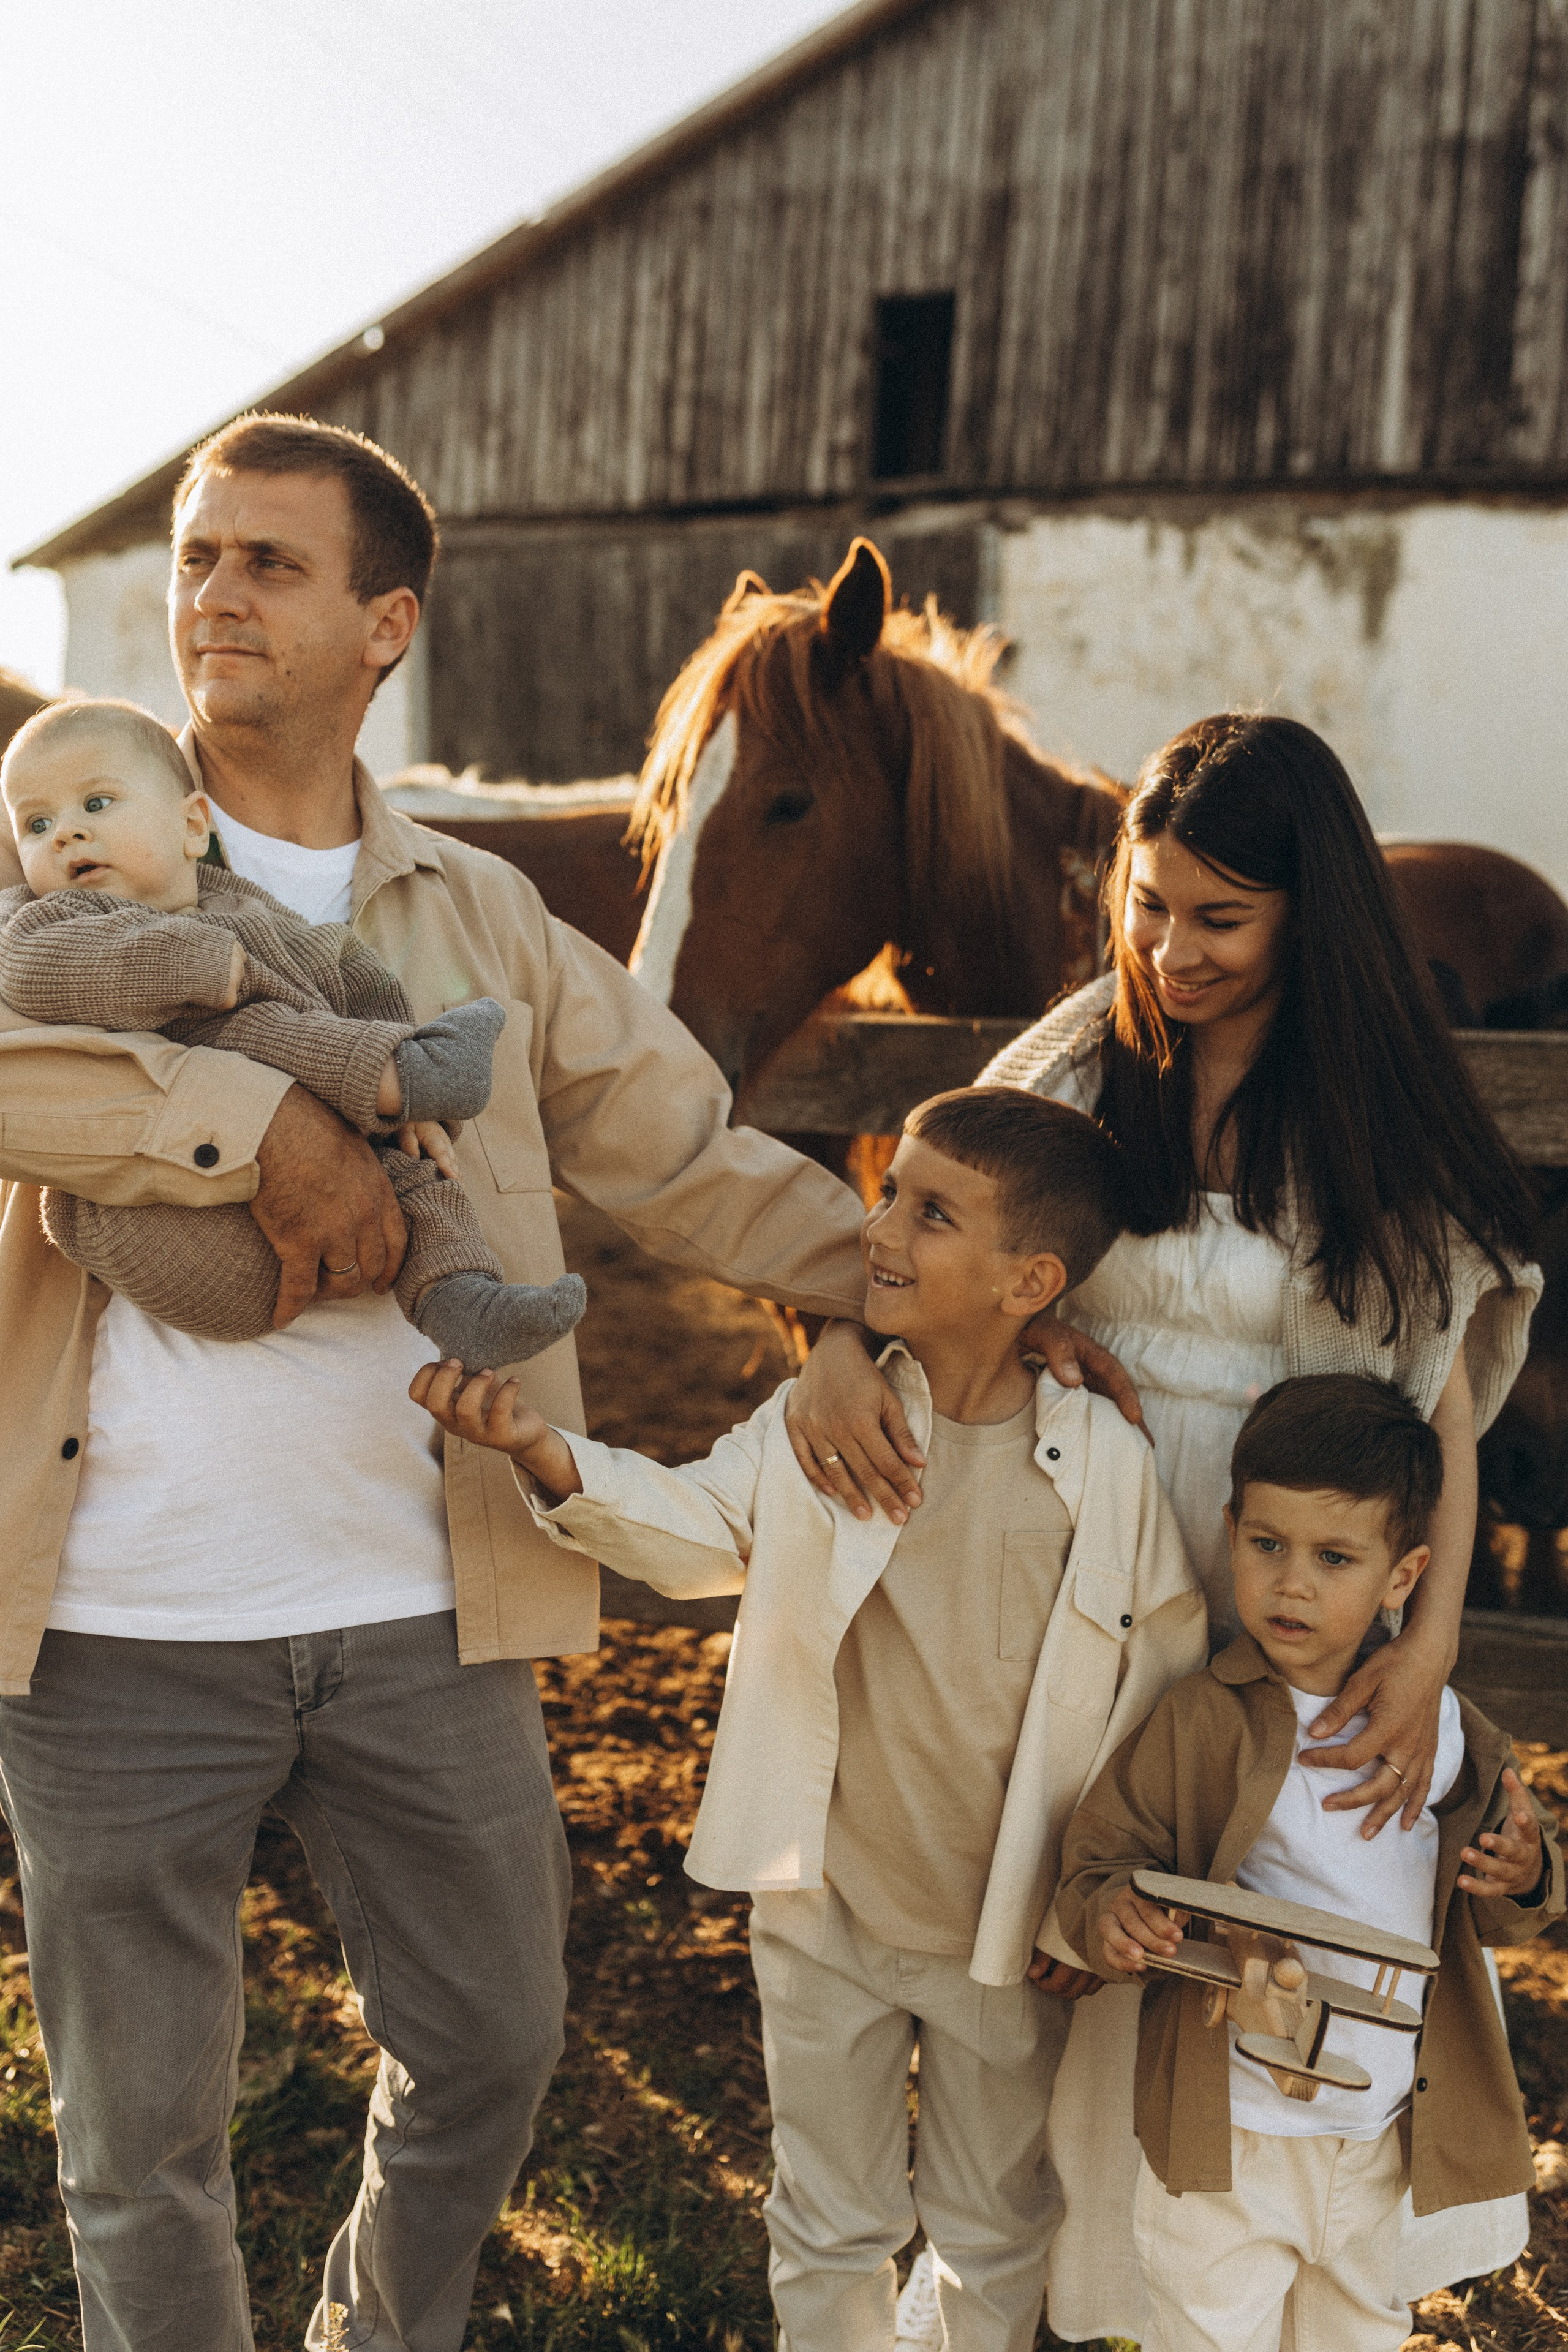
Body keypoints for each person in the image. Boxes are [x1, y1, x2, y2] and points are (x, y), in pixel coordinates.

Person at [0, 413, 873, 2352]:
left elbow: (687, 1148)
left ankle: (373, 2329)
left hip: (422, 1590)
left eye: (269, 563)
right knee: (139, 2143)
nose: (212, 592)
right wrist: (255, 1125)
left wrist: (909, 1293)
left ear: (385, 624)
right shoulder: (75, 841)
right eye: (199, 554)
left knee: (494, 2037)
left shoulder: (481, 915)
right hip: (117, 1613)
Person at [784, 712, 1542, 2330]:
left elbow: (1447, 1392)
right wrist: (855, 1340)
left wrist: (1433, 1645)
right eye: (1147, 905)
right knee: (1043, 1945)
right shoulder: (1079, 1064)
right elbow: (923, 1235)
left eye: (1220, 918)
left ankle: (1224, 2292)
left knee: (1213, 1964)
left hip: (1277, 1612)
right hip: (1061, 1587)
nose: (1170, 950)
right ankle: (1004, 2293)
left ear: (1306, 915)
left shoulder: (1366, 1115)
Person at [415, 1085, 1208, 2352]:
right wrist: (549, 1456)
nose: (881, 1225)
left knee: (989, 2225)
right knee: (826, 2218)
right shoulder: (825, 1426)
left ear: (1028, 1281)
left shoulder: (1099, 1468)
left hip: (1001, 1928)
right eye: (887, 1190)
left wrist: (1096, 1887)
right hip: (826, 1901)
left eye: (930, 1211)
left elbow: (1153, 1678)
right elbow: (696, 1525)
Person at [1055, 1373, 1564, 2352]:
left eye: (1335, 1557)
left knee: (1359, 2333)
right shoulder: (1203, 1718)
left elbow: (1507, 1903)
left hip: (1377, 2133)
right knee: (1208, 2333)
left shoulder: (1447, 1734)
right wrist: (1115, 1912)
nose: (1292, 1583)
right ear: (1230, 1529)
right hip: (1233, 2130)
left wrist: (1524, 1872)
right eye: (1267, 1545)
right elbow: (1102, 1860)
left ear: (1404, 1577)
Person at [1, 695, 586, 1366]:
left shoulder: (249, 910)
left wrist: (401, 1087)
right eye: (37, 824)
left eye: (96, 805)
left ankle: (460, 1297)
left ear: (193, 828)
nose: (66, 835)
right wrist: (205, 965)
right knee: (253, 1031)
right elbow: (33, 972)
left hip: (318, 1232)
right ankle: (399, 1073)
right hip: (178, 1243)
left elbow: (350, 976)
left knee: (415, 1171)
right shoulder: (43, 922)